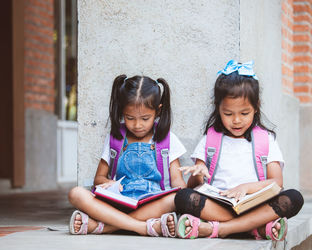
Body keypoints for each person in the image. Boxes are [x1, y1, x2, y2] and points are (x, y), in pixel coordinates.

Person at [175, 60, 304, 240]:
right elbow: (194, 186)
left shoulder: (266, 139)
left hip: (254, 204)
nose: (236, 120)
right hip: (219, 206)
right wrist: (199, 174)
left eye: (244, 113)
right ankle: (253, 226)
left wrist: (246, 188)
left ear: (256, 107)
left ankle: (219, 229)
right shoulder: (210, 140)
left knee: (294, 198)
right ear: (218, 107)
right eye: (228, 114)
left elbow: (277, 182)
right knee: (183, 198)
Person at [68, 75, 187, 237]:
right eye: (130, 118)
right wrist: (109, 183)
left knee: (176, 199)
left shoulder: (167, 139)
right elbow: (99, 178)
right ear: (121, 111)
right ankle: (145, 227)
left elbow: (177, 181)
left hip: (152, 204)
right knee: (76, 193)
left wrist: (182, 193)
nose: (137, 125)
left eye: (145, 118)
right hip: (120, 201)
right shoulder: (115, 139)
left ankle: (105, 226)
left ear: (158, 111)